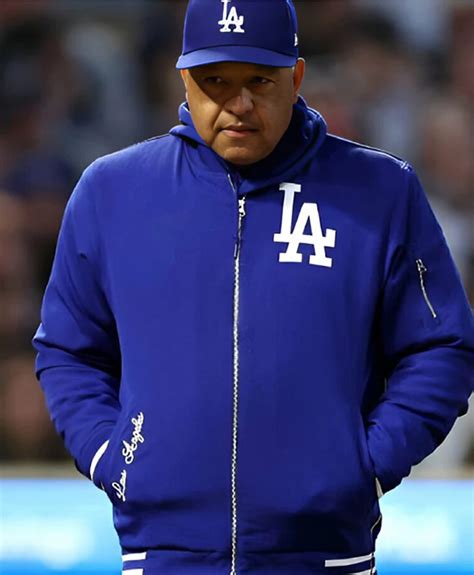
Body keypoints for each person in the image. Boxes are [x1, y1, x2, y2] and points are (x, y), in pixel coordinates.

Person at [33, 1, 474, 574]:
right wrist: (111, 459)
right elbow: (69, 351)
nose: (238, 104)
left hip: (324, 554)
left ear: (296, 77)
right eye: (216, 81)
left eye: (259, 81)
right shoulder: (112, 191)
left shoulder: (379, 190)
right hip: (163, 555)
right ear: (184, 78)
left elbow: (441, 347)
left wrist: (363, 466)